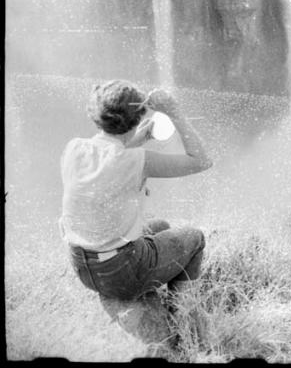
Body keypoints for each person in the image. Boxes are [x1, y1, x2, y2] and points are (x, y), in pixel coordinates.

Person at [59, 79, 212, 302]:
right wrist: (174, 113)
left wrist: (134, 140)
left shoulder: (74, 148)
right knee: (195, 237)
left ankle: (152, 297)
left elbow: (107, 164)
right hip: (119, 274)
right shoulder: (136, 161)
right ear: (137, 118)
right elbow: (201, 161)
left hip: (82, 267)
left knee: (161, 227)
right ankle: (182, 319)